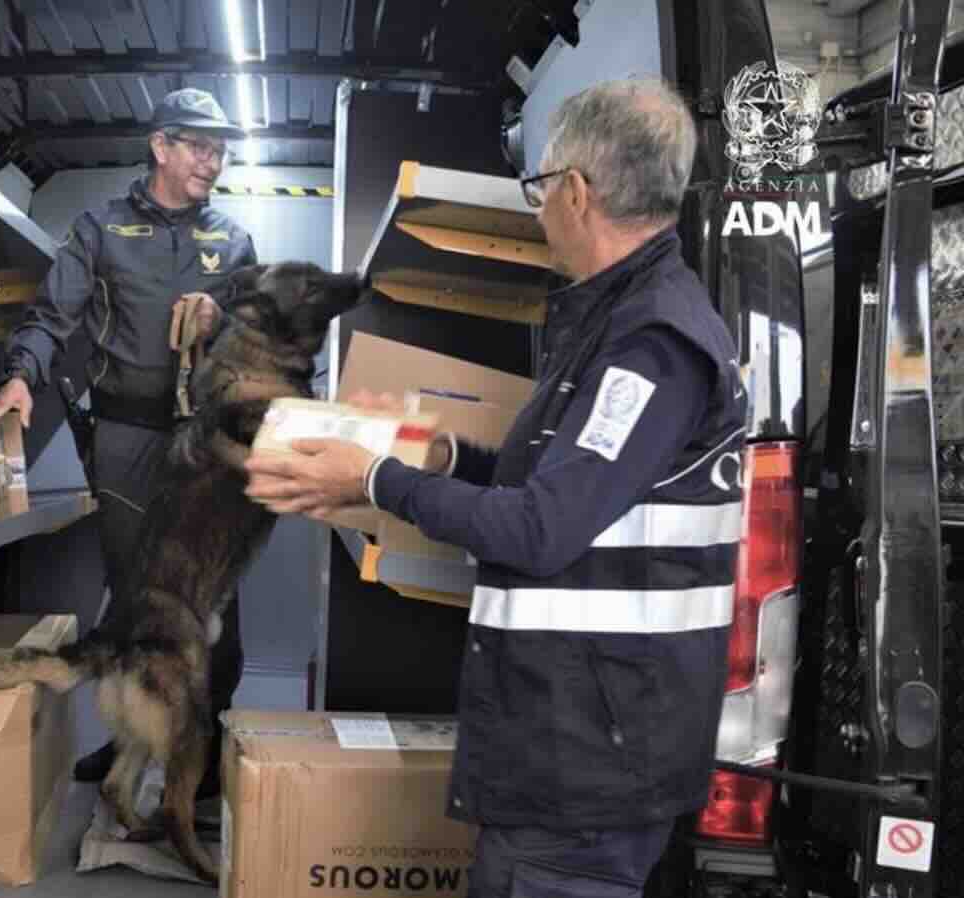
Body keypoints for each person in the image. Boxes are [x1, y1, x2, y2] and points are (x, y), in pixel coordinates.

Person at [245, 78, 746, 896]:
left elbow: (539, 529)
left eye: (540, 188)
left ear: (576, 193)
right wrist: (444, 459)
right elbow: (556, 485)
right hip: (568, 741)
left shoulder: (652, 344)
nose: (538, 209)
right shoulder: (613, 322)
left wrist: (373, 477)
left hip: (587, 766)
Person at [0, 87, 257, 794]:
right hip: (124, 438)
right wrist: (22, 380)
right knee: (133, 595)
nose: (212, 160)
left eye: (220, 148)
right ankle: (128, 739)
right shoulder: (98, 229)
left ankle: (205, 754)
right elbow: (50, 319)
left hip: (204, 445)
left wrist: (218, 321)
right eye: (198, 145)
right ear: (160, 147)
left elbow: (256, 334)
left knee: (213, 600)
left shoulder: (232, 239)